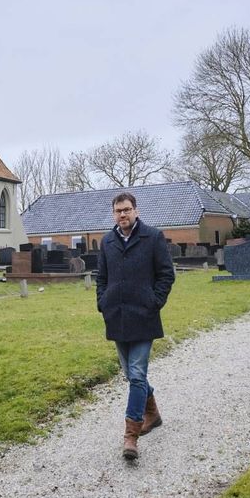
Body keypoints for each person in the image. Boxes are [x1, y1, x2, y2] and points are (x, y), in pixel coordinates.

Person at [96, 192, 175, 460]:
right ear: (113, 213)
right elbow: (102, 278)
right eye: (118, 211)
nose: (123, 215)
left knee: (138, 374)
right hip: (116, 316)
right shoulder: (107, 242)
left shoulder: (153, 237)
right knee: (131, 375)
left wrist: (154, 302)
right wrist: (102, 303)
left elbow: (166, 274)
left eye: (127, 210)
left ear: (136, 211)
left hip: (143, 316)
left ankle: (131, 435)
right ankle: (152, 413)